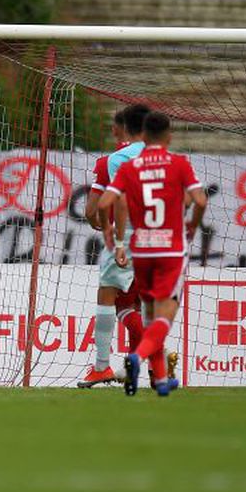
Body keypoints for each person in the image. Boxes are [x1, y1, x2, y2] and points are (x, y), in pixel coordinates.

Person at [97, 112, 208, 397]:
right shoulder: (179, 163)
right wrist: (192, 225)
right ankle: (137, 356)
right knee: (163, 316)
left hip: (142, 249)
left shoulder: (129, 166)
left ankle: (159, 380)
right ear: (169, 137)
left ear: (143, 136)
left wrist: (114, 237)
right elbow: (200, 199)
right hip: (170, 249)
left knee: (147, 315)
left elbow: (106, 203)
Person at [80, 104, 149, 387]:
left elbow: (92, 211)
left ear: (118, 129)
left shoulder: (111, 161)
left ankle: (101, 367)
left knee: (108, 295)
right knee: (135, 303)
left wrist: (106, 228)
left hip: (129, 236)